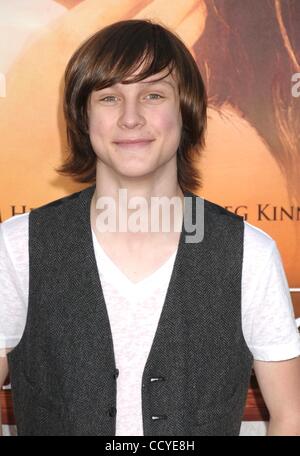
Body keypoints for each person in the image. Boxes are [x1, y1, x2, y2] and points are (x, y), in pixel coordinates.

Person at [0, 18, 300, 437]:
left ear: (187, 110)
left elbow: (291, 417)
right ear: (82, 116)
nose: (130, 118)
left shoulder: (250, 254)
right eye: (108, 98)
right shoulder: (18, 247)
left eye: (153, 94)